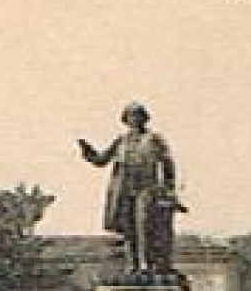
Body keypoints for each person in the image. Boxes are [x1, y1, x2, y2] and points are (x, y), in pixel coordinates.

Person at [77, 102, 182, 274]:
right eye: (131, 116)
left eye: (138, 115)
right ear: (125, 119)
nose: (134, 120)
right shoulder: (121, 141)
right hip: (124, 189)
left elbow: (168, 164)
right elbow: (102, 160)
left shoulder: (154, 139)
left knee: (144, 224)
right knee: (129, 228)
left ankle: (146, 265)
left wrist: (169, 189)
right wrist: (89, 153)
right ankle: (132, 265)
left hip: (147, 188)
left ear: (144, 118)